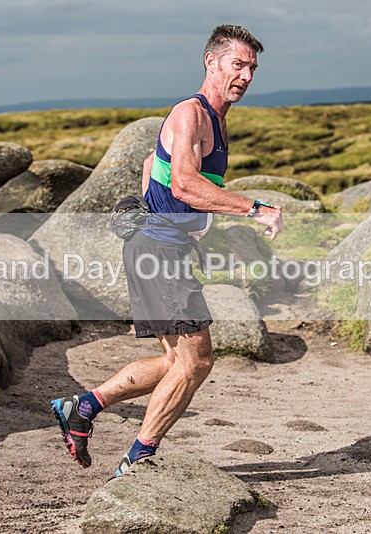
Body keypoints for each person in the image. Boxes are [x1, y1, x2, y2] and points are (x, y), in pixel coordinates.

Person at [51, 24, 283, 478]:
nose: (247, 76)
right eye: (238, 64)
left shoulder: (213, 119)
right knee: (198, 359)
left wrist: (163, 214)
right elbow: (184, 183)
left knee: (177, 361)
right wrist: (255, 209)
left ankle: (83, 407)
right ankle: (138, 460)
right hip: (159, 251)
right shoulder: (191, 113)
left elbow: (151, 165)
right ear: (210, 62)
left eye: (252, 67)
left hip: (159, 246)